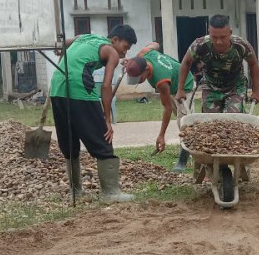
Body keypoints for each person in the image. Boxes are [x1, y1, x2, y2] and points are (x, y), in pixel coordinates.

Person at [49, 24, 137, 202]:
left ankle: (76, 191)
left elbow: (60, 44)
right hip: (79, 90)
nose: (123, 54)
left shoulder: (85, 37)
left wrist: (61, 54)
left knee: (70, 142)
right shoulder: (110, 51)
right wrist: (107, 120)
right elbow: (106, 86)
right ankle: (110, 193)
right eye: (125, 48)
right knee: (103, 140)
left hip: (57, 89)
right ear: (115, 40)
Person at [123, 42, 196, 172]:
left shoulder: (161, 79)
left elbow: (166, 108)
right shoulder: (144, 53)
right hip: (173, 86)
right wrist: (132, 62)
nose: (139, 82)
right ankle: (188, 149)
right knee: (181, 121)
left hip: (185, 86)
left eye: (139, 78)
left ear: (146, 70)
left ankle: (183, 161)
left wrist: (161, 135)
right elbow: (155, 44)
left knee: (185, 124)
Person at [176, 14, 259, 114]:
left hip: (235, 87)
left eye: (223, 37)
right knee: (211, 122)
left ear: (230, 33)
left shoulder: (241, 45)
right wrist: (180, 89)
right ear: (209, 32)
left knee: (232, 120)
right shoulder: (200, 45)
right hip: (210, 86)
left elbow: (253, 64)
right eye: (214, 37)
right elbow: (186, 62)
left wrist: (256, 90)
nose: (219, 42)